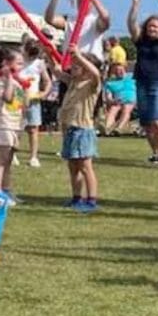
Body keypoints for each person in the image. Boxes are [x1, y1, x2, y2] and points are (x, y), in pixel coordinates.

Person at [127, 0, 158, 167]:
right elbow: (131, 23)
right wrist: (135, 4)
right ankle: (154, 153)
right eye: (149, 26)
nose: (152, 29)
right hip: (142, 82)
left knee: (156, 119)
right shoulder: (141, 42)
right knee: (146, 122)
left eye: (156, 26)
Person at [59, 49, 103, 213]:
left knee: (85, 167)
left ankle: (91, 200)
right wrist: (48, 53)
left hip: (82, 130)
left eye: (77, 66)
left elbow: (96, 73)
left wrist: (79, 56)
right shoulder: (73, 82)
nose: (73, 67)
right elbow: (56, 71)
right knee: (73, 167)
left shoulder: (92, 84)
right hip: (70, 129)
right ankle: (76, 197)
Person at [0, 48, 26, 204]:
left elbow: (20, 103)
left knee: (8, 160)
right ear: (7, 63)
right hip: (2, 123)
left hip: (15, 124)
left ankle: (6, 190)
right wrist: (9, 78)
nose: (21, 66)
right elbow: (8, 98)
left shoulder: (18, 81)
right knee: (1, 160)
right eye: (18, 63)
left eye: (22, 63)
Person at [44, 0, 111, 60]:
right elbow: (49, 19)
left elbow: (105, 17)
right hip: (71, 63)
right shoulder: (69, 19)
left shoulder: (95, 21)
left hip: (89, 63)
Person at [18, 38, 53, 167]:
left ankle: (33, 157)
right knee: (17, 127)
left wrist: (44, 93)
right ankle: (12, 154)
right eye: (30, 54)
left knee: (33, 129)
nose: (32, 57)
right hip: (18, 98)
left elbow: (47, 81)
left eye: (35, 55)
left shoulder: (39, 64)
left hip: (33, 99)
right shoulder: (19, 61)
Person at [102, 64, 137, 135]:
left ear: (125, 69)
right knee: (113, 109)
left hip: (130, 100)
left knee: (126, 108)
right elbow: (108, 97)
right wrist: (113, 101)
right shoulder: (110, 83)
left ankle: (119, 129)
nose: (119, 72)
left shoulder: (133, 77)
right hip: (117, 102)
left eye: (121, 70)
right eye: (117, 70)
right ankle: (107, 128)